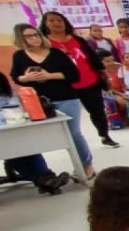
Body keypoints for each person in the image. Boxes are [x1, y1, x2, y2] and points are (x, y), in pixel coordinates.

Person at [10, 23, 96, 179]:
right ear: (21, 39)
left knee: (73, 133)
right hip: (38, 101)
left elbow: (74, 75)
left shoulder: (56, 53)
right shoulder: (19, 56)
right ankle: (41, 173)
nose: (34, 38)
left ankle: (86, 165)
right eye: (29, 36)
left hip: (65, 97)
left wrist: (49, 75)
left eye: (36, 34)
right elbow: (16, 77)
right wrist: (27, 78)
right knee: (39, 136)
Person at [40, 11, 119, 148]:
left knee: (97, 110)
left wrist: (104, 74)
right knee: (68, 115)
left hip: (89, 81)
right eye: (51, 20)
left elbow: (92, 58)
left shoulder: (78, 40)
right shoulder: (44, 43)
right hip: (65, 85)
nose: (56, 23)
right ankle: (71, 141)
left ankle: (104, 135)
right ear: (45, 24)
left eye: (59, 20)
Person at [0, 73, 71, 195]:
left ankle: (46, 179)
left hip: (14, 131)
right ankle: (45, 180)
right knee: (15, 153)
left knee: (29, 149)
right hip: (6, 137)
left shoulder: (10, 96)